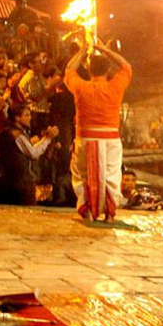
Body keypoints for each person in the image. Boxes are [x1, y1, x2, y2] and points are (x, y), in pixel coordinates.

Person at [65, 42, 132, 223]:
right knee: (111, 174)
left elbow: (69, 69)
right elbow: (126, 66)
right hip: (110, 137)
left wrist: (82, 51)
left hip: (85, 137)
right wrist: (104, 49)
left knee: (82, 174)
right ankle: (109, 214)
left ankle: (86, 211)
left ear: (88, 69)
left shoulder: (80, 87)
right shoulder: (115, 86)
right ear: (108, 69)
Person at [0, 106, 58, 205]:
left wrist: (44, 138)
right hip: (21, 181)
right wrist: (48, 139)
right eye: (26, 115)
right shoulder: (17, 135)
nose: (30, 117)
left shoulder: (11, 132)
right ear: (17, 118)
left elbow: (29, 149)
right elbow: (33, 153)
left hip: (10, 179)